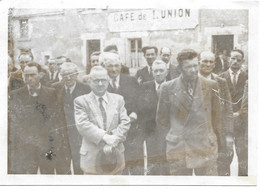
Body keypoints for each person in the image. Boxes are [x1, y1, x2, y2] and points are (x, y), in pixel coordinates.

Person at [156, 49, 221, 176]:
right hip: (179, 148)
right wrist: (174, 136)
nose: (193, 70)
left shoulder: (211, 85)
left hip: (204, 147)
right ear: (179, 68)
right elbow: (161, 120)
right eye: (188, 67)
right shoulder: (168, 87)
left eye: (195, 65)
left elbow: (217, 118)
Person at [8, 62, 71, 174]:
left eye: (32, 75)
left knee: (48, 177)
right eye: (26, 75)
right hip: (26, 147)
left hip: (47, 146)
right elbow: (15, 123)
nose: (29, 78)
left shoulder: (51, 93)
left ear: (40, 75)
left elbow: (57, 120)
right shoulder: (15, 95)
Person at [74, 66, 131, 175]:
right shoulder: (81, 101)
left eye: (103, 80)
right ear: (89, 82)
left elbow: (125, 122)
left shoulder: (118, 99)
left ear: (108, 81)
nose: (100, 84)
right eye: (96, 80)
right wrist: (105, 137)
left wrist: (114, 139)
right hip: (92, 160)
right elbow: (83, 125)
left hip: (115, 157)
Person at [100, 52, 142, 175]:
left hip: (131, 130)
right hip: (110, 132)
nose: (114, 69)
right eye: (110, 66)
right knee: (114, 167)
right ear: (104, 67)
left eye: (117, 66)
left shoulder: (131, 80)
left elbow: (140, 101)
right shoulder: (100, 83)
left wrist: (134, 114)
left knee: (134, 165)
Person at [198, 51, 234, 176]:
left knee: (222, 167)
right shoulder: (192, 81)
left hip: (218, 132)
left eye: (211, 62)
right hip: (199, 134)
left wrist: (229, 135)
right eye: (204, 61)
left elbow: (228, 110)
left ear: (214, 64)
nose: (207, 64)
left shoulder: (221, 82)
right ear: (199, 62)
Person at [52, 62, 91, 174]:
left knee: (79, 167)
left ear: (77, 74)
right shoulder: (55, 88)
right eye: (64, 74)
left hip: (79, 135)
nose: (68, 77)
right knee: (62, 168)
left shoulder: (86, 89)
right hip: (61, 134)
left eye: (71, 74)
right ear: (60, 75)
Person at [219, 49, 248, 176]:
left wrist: (240, 113)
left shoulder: (248, 78)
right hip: (226, 124)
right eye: (233, 58)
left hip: (242, 123)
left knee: (243, 154)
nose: (235, 62)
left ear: (243, 62)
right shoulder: (220, 78)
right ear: (228, 59)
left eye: (238, 60)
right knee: (225, 156)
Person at [138, 59, 169, 175]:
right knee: (153, 161)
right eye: (155, 71)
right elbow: (141, 107)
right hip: (151, 131)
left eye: (161, 70)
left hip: (168, 131)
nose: (158, 73)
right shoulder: (145, 86)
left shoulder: (172, 85)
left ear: (167, 72)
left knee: (167, 162)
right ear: (152, 72)